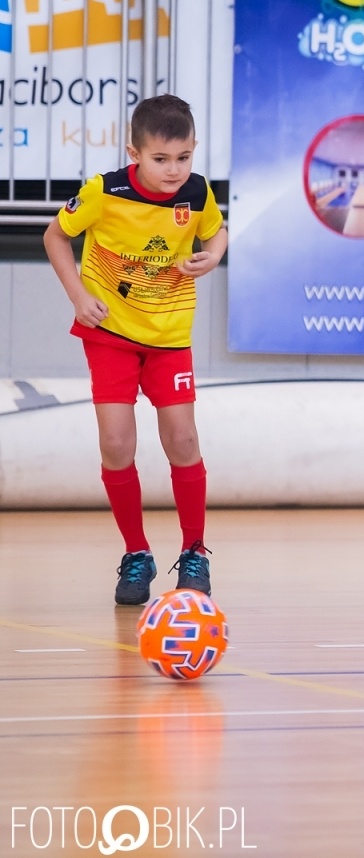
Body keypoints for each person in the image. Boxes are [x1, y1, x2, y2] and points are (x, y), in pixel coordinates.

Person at [41, 94, 228, 605]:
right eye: (161, 159)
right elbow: (56, 237)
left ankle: (194, 551)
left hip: (169, 336)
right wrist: (79, 296)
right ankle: (136, 553)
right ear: (135, 152)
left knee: (183, 440)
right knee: (117, 445)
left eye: (184, 157)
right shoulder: (105, 191)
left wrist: (210, 258)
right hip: (111, 334)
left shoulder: (198, 193)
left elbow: (217, 234)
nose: (174, 171)